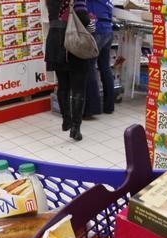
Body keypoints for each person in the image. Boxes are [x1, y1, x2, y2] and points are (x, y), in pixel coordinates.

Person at [46, 0, 94, 141]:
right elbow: (83, 18)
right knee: (78, 88)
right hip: (72, 42)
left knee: (63, 85)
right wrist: (91, 21)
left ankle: (66, 119)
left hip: (55, 41)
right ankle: (75, 128)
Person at [84, 0, 115, 118]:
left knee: (89, 66)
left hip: (97, 31)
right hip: (108, 31)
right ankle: (109, 106)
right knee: (105, 67)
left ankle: (92, 108)